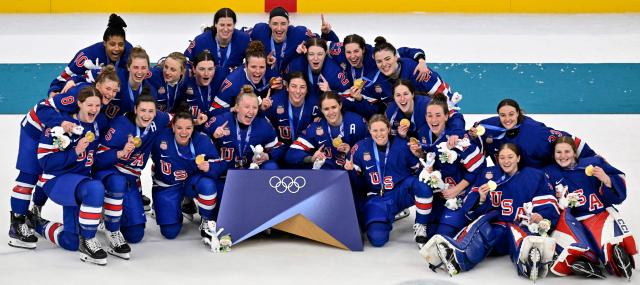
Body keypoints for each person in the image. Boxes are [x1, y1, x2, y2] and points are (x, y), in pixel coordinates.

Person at [8, 67, 119, 249]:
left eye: (115, 91)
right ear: (97, 85)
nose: (111, 93)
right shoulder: (78, 94)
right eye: (108, 89)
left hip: (58, 134)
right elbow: (44, 107)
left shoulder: (97, 105)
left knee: (55, 170)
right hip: (36, 129)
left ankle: (35, 212)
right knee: (30, 175)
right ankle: (17, 224)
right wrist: (61, 122)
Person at [421, 143, 560, 281]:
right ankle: (457, 257)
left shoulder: (534, 176)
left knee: (523, 238)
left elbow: (548, 203)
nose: (506, 161)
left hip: (520, 225)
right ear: (497, 159)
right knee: (484, 230)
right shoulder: (489, 174)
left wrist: (540, 216)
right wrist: (481, 199)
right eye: (502, 157)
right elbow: (471, 210)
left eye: (510, 157)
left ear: (518, 158)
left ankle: (529, 263)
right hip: (497, 227)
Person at [26, 86, 109, 265]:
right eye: (89, 105)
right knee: (95, 188)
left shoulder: (98, 123)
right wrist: (76, 152)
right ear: (79, 103)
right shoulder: (61, 125)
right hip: (57, 181)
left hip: (78, 184)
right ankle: (88, 241)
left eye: (97, 105)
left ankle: (37, 223)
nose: (94, 110)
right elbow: (45, 162)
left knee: (70, 242)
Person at [544, 137, 636, 279]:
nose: (563, 156)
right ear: (553, 154)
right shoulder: (548, 173)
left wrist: (607, 180)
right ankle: (584, 261)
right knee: (573, 245)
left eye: (567, 151)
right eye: (559, 152)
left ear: (575, 153)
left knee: (607, 245)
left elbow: (619, 191)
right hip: (569, 219)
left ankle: (613, 254)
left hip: (596, 215)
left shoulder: (594, 163)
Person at [93, 92, 171, 259]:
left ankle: (111, 211)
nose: (147, 115)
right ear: (135, 109)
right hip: (110, 172)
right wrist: (120, 153)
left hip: (130, 178)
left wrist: (198, 122)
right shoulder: (120, 127)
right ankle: (109, 225)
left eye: (151, 111)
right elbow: (97, 159)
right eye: (143, 110)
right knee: (117, 182)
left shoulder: (159, 119)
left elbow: (176, 120)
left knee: (135, 235)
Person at [344, 114, 433, 247]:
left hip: (399, 192)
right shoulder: (359, 148)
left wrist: (420, 157)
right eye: (375, 130)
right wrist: (351, 171)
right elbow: (357, 186)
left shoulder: (403, 144)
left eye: (382, 130)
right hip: (377, 198)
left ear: (389, 129)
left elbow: (419, 172)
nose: (379, 134)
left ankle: (421, 226)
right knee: (377, 239)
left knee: (423, 185)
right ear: (369, 130)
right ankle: (387, 216)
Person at [408, 96, 485, 238]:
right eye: (430, 115)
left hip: (462, 193)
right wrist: (421, 156)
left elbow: (479, 166)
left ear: (446, 116)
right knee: (430, 234)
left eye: (438, 115)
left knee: (445, 234)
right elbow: (430, 158)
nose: (433, 119)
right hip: (442, 192)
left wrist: (458, 189)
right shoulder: (424, 134)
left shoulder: (458, 138)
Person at [150, 111, 226, 249]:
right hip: (168, 186)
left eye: (188, 128)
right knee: (169, 232)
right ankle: (171, 209)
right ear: (173, 127)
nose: (183, 132)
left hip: (190, 182)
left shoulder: (202, 140)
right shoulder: (159, 137)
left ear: (193, 128)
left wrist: (210, 167)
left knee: (207, 184)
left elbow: (219, 164)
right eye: (179, 128)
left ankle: (206, 220)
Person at [470, 98, 596, 168]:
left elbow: (565, 139)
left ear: (518, 113)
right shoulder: (489, 125)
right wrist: (472, 134)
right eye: (503, 115)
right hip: (507, 175)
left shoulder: (535, 132)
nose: (507, 119)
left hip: (536, 178)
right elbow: (473, 132)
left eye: (511, 114)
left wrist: (594, 158)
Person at [48, 14, 132, 97]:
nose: (117, 48)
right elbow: (62, 79)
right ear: (104, 43)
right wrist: (54, 91)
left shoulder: (130, 53)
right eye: (112, 44)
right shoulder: (87, 56)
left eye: (121, 44)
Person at [246, 6, 338, 75]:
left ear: (288, 24)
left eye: (283, 24)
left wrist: (327, 33)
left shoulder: (300, 34)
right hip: (266, 78)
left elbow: (324, 44)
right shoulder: (260, 30)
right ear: (269, 24)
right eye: (275, 24)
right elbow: (239, 36)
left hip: (291, 84)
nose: (279, 28)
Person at [286, 91, 368, 169]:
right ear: (321, 110)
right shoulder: (315, 127)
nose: (331, 112)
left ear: (340, 105)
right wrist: (311, 158)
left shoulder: (357, 122)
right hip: (326, 176)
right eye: (326, 109)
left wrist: (351, 153)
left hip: (351, 176)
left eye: (334, 107)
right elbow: (291, 153)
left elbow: (370, 151)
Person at [368, 36, 459, 106]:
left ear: (396, 56)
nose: (384, 64)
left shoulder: (417, 72)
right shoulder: (378, 80)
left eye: (387, 59)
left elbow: (446, 96)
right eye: (379, 61)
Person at [210, 41, 281, 115]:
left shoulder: (270, 73)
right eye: (253, 67)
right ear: (246, 65)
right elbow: (214, 112)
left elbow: (283, 87)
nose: (258, 71)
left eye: (262, 67)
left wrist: (281, 85)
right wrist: (234, 109)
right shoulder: (233, 83)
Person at [184, 8, 250, 78]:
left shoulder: (244, 39)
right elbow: (186, 62)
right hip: (208, 81)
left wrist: (240, 71)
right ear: (215, 24)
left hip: (232, 82)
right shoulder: (201, 40)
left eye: (229, 25)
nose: (225, 29)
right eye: (222, 25)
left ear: (234, 25)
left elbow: (253, 62)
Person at [263, 71, 320, 148]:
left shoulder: (315, 104)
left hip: (305, 150)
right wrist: (262, 109)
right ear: (287, 87)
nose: (298, 91)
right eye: (293, 86)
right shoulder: (274, 102)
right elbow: (261, 126)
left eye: (302, 87)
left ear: (307, 90)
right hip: (280, 150)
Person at [181, 50, 226, 122]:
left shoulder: (223, 75)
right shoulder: (185, 81)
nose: (206, 73)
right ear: (194, 69)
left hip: (216, 126)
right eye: (202, 69)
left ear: (215, 69)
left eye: (210, 69)